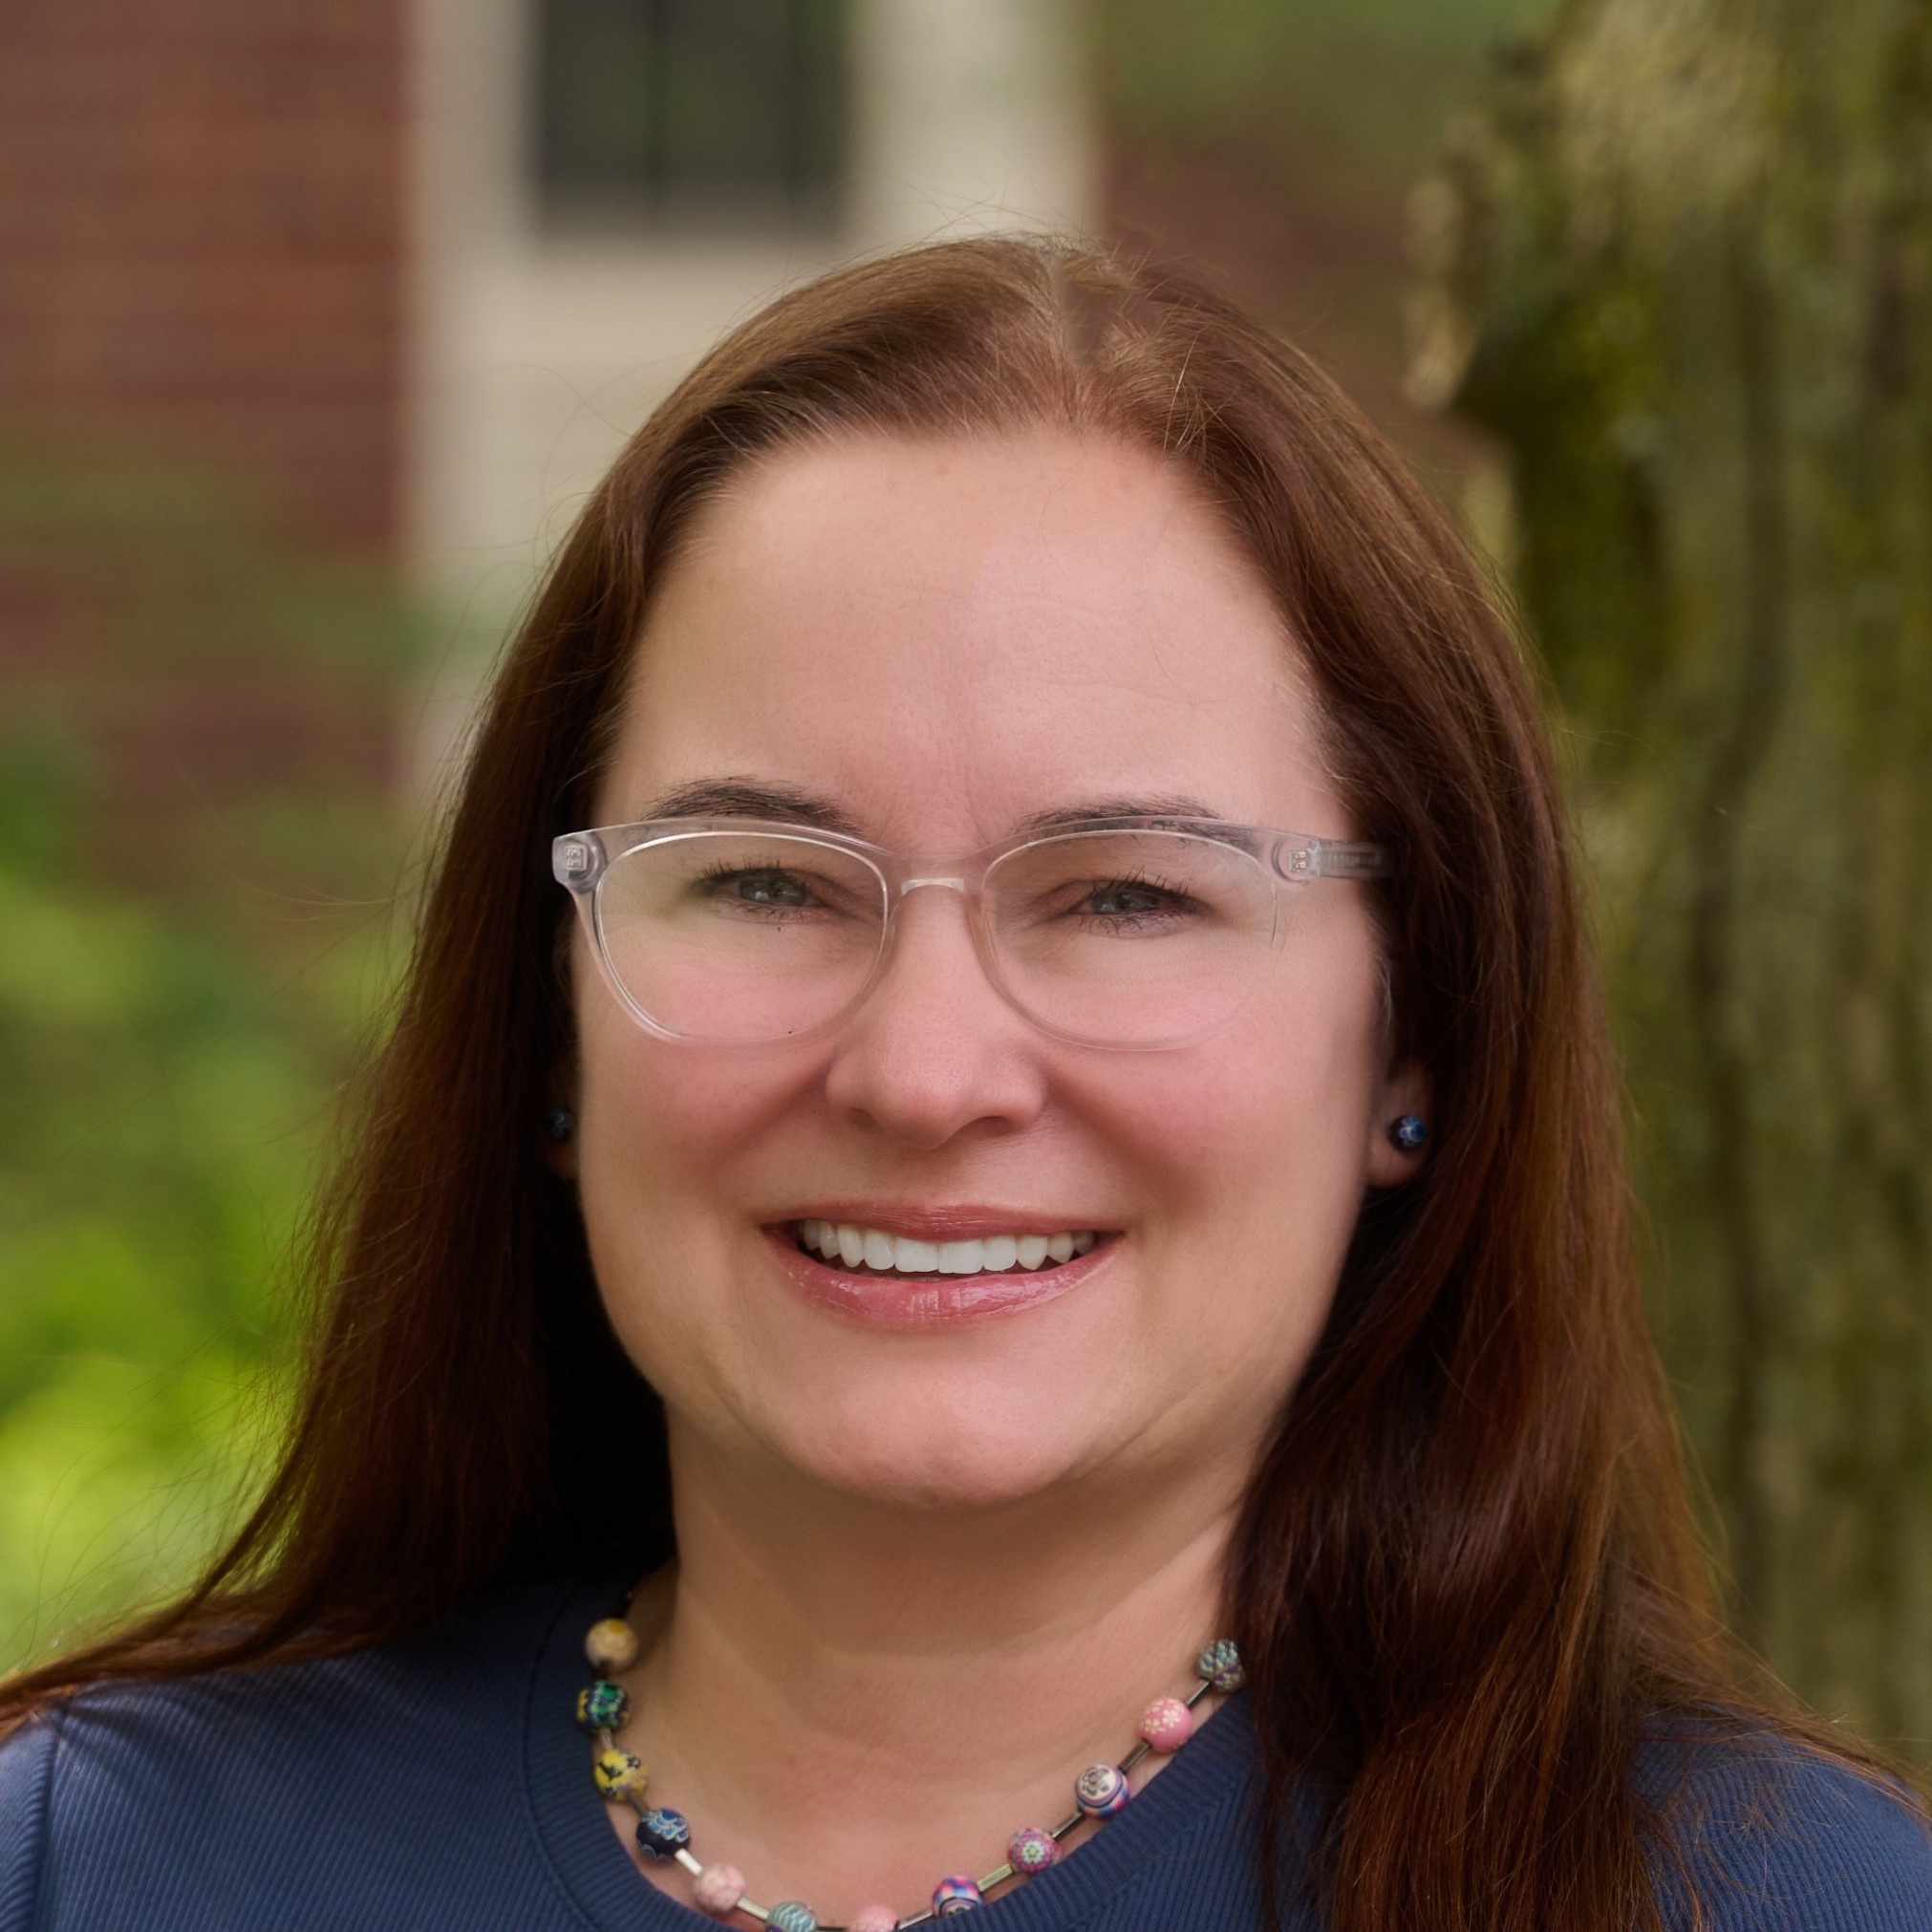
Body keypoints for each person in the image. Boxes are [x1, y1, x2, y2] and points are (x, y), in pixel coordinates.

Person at [0, 238, 1925, 1932]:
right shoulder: (92, 1866)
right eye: (762, 880)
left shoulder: (1773, 1910)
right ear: (554, 1013)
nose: (925, 1072)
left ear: (1412, 1043)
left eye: (1126, 897)